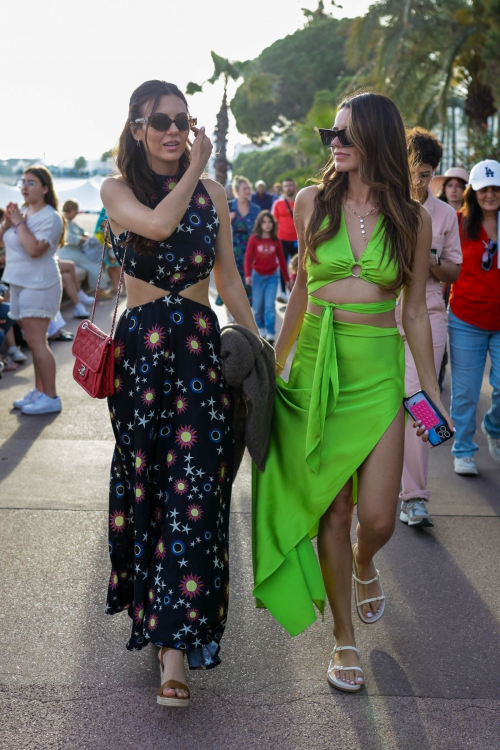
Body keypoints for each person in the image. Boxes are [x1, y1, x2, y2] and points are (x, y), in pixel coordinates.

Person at [252, 92, 453, 693]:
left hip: (379, 371)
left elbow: (414, 311)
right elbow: (302, 293)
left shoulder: (413, 219)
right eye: (330, 136)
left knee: (378, 517)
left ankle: (366, 562)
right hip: (318, 364)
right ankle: (343, 639)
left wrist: (430, 392)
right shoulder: (311, 201)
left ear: (377, 140)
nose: (334, 145)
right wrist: (280, 364)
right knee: (334, 509)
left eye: (345, 135)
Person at [100, 79, 258, 706]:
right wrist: (196, 166)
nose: (172, 129)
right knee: (150, 489)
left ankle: (176, 650)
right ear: (137, 128)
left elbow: (228, 274)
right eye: (159, 120)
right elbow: (161, 227)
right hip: (141, 357)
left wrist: (257, 344)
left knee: (197, 488)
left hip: (196, 349)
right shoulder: (118, 191)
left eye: (182, 120)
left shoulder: (214, 193)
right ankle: (158, 624)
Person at [397, 128, 462, 528]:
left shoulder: (445, 214)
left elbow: (454, 268)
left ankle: (415, 497)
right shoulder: (383, 205)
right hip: (381, 318)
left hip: (430, 316)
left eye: (429, 173)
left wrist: (429, 260)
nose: (423, 181)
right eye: (418, 172)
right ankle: (371, 489)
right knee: (382, 402)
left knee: (419, 400)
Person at [448, 159, 500, 475]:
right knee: (465, 391)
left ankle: (493, 428)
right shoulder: (457, 222)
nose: (491, 195)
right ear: (473, 192)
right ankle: (463, 448)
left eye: (496, 189)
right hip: (465, 318)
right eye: (484, 189)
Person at [0, 166, 64, 414]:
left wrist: (18, 223)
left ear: (45, 188)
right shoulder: (24, 213)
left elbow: (35, 249)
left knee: (37, 342)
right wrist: (7, 223)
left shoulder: (51, 217)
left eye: (31, 183)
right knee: (34, 340)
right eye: (23, 182)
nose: (24, 187)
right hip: (22, 282)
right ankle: (40, 391)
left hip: (40, 283)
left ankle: (50, 396)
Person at [244, 210, 291, 344]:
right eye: (264, 222)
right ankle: (261, 328)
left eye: (270, 221)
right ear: (259, 224)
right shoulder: (254, 239)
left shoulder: (276, 241)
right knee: (258, 307)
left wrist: (287, 279)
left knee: (270, 306)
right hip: (258, 276)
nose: (267, 224)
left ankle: (270, 333)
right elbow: (248, 258)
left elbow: (282, 260)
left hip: (272, 277)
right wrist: (248, 275)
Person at [58, 199, 102, 294]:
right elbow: (68, 237)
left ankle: (97, 287)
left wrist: (86, 236)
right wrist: (82, 239)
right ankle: (99, 289)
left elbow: (83, 231)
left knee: (95, 259)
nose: (77, 213)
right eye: (76, 210)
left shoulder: (72, 223)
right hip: (67, 252)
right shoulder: (63, 221)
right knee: (93, 262)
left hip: (74, 251)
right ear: (71, 209)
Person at [229, 176, 260, 302]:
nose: (248, 191)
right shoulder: (228, 207)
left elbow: (260, 231)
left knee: (250, 280)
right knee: (232, 282)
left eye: (249, 188)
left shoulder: (256, 209)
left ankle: (249, 313)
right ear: (236, 191)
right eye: (245, 188)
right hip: (232, 251)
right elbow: (217, 229)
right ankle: (232, 313)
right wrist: (228, 219)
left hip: (250, 250)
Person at [272, 178, 298, 299]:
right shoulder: (278, 203)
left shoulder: (300, 202)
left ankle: (297, 293)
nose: (288, 188)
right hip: (282, 240)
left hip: (298, 240)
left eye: (290, 185)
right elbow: (273, 222)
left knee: (298, 267)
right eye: (286, 186)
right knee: (283, 266)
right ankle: (283, 292)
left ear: (295, 186)